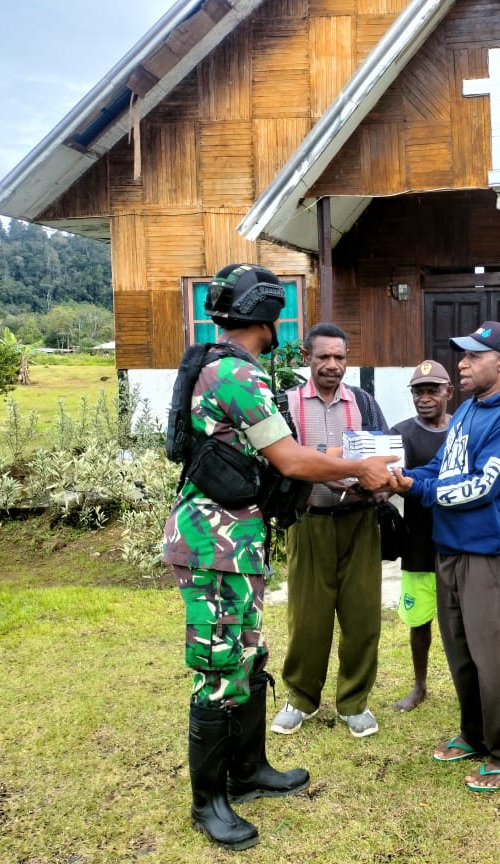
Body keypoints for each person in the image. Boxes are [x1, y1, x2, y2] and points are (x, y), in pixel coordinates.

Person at [161, 265, 398, 851]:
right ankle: (209, 802)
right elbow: (290, 460)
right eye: (278, 314)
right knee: (218, 670)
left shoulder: (225, 365)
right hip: (214, 543)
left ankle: (248, 771)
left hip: (235, 542)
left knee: (247, 654)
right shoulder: (236, 373)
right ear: (265, 316)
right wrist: (357, 467)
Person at [388, 321, 500, 792]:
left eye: (474, 356)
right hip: (451, 551)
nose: (462, 362)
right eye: (463, 355)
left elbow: (479, 488)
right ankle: (475, 735)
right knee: (463, 655)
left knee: (497, 660)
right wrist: (403, 474)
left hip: (491, 559)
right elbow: (443, 467)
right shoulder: (470, 412)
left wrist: (416, 487)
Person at [271, 323, 391, 738]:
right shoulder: (284, 404)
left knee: (362, 617)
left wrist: (376, 485)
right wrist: (325, 472)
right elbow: (277, 463)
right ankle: (300, 698)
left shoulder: (363, 403)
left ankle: (354, 702)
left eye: (339, 357)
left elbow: (384, 456)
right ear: (307, 357)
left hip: (359, 522)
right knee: (307, 619)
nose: (332, 365)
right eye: (323, 356)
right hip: (307, 523)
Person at [389, 359, 454, 712]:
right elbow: (390, 481)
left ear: (449, 392)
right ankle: (420, 685)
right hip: (418, 541)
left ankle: (467, 683)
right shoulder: (399, 433)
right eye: (419, 391)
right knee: (419, 620)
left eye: (433, 390)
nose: (425, 398)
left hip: (458, 540)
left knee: (460, 620)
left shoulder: (464, 429)